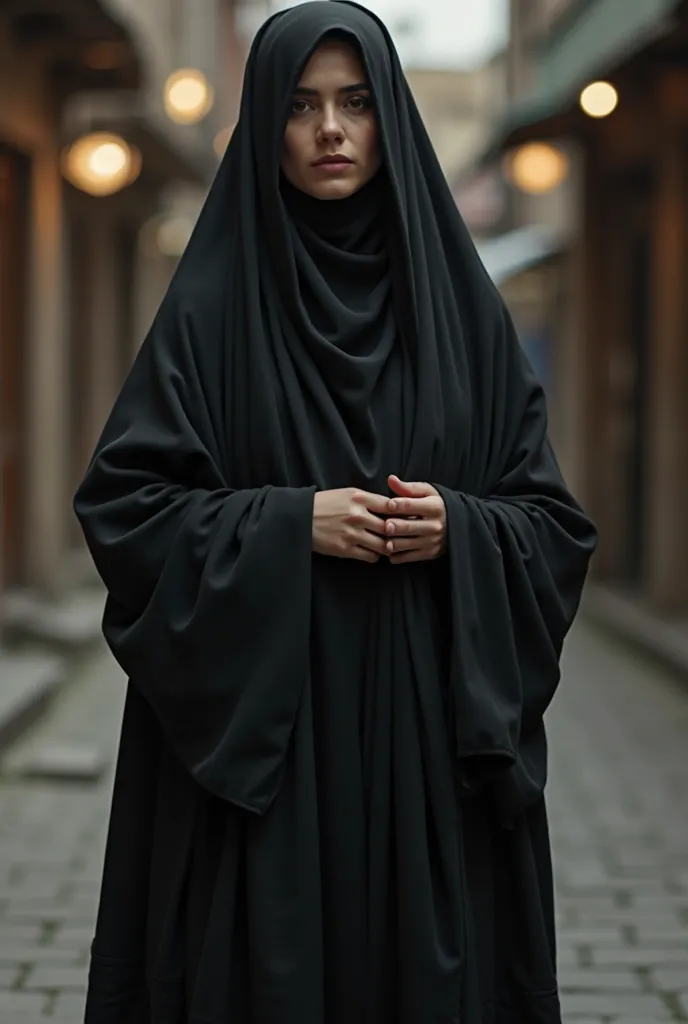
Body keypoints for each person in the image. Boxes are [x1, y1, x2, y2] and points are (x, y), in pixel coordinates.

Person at [74, 3, 597, 1022]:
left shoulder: (460, 313)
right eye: (302, 104)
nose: (329, 130)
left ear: (388, 117)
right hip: (261, 742)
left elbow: (550, 520)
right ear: (266, 119)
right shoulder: (212, 309)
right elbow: (125, 506)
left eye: (355, 102)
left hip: (423, 735)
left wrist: (463, 525)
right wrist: (284, 525)